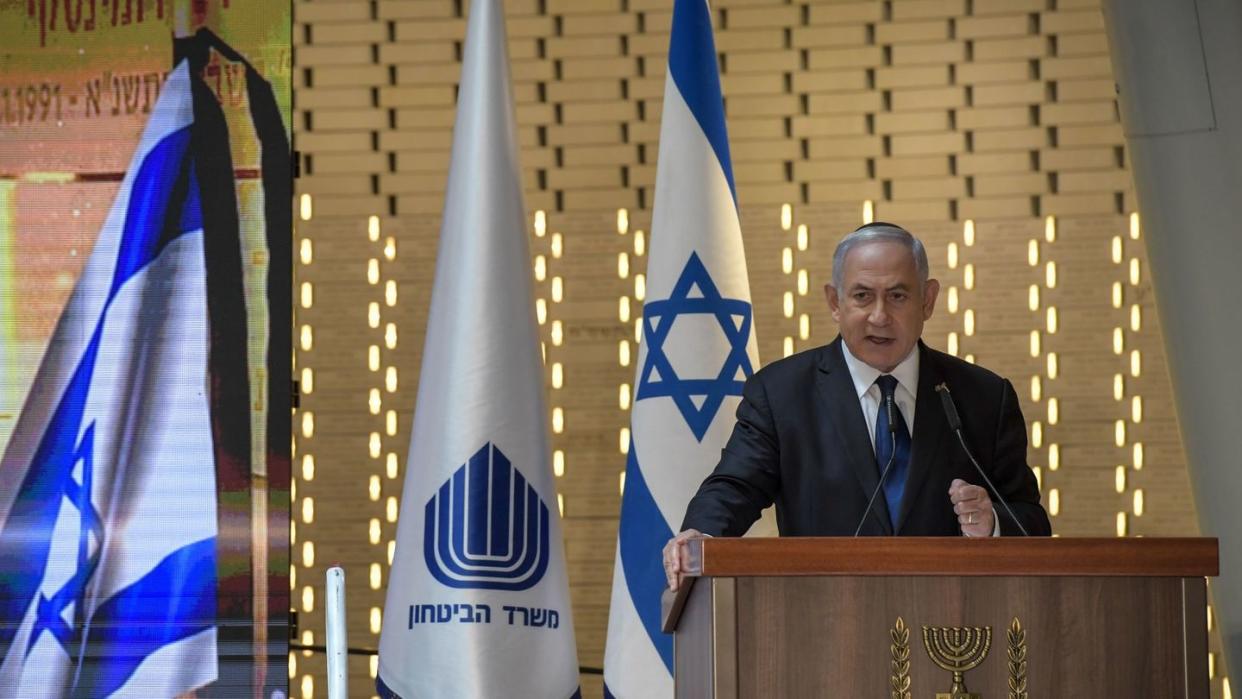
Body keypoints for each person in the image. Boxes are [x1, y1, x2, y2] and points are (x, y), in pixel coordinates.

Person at [663, 222, 1051, 589]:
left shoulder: (984, 396)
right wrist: (702, 536)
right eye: (862, 296)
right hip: (825, 624)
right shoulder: (782, 393)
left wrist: (993, 522)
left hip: (952, 629)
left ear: (928, 300)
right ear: (835, 301)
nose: (879, 316)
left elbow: (1032, 521)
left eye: (898, 296)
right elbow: (736, 485)